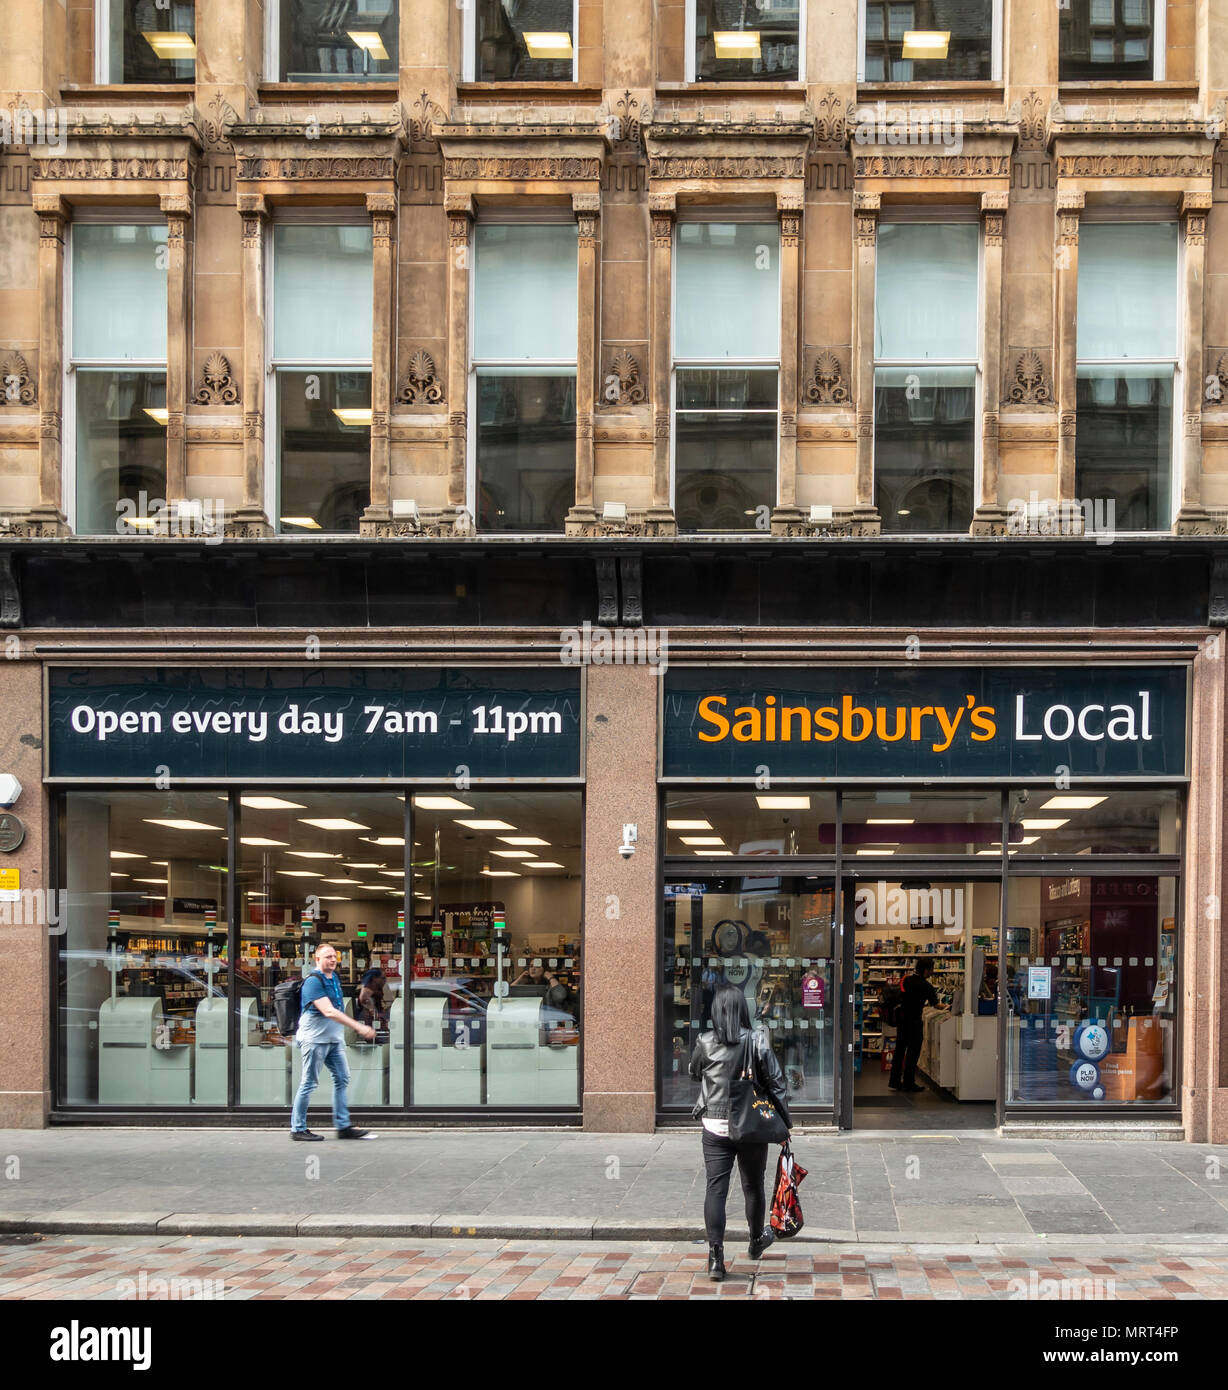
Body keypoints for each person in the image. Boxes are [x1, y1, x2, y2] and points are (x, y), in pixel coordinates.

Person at [689, 983, 791, 1282]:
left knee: (715, 1189)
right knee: (753, 1186)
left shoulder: (705, 1041)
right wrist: (784, 1124)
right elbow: (776, 1083)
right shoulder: (757, 1040)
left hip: (715, 1125)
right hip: (752, 1126)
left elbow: (695, 1072)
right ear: (741, 1010)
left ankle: (715, 1257)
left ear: (716, 1012)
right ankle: (756, 1240)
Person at [290, 943, 377, 1142]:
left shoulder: (334, 977)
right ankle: (298, 1128)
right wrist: (358, 1027)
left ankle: (343, 1126)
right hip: (314, 1040)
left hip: (333, 1040)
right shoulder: (313, 981)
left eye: (334, 956)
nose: (332, 959)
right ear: (316, 959)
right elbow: (328, 1011)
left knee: (342, 1078)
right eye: (327, 956)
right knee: (309, 1083)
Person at [889, 959, 944, 1093]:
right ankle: (908, 1082)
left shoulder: (907, 980)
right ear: (926, 970)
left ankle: (894, 1081)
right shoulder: (926, 986)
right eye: (931, 969)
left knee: (900, 1051)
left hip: (902, 1020)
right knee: (913, 1053)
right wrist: (947, 1007)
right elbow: (936, 1004)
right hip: (914, 1022)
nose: (932, 972)